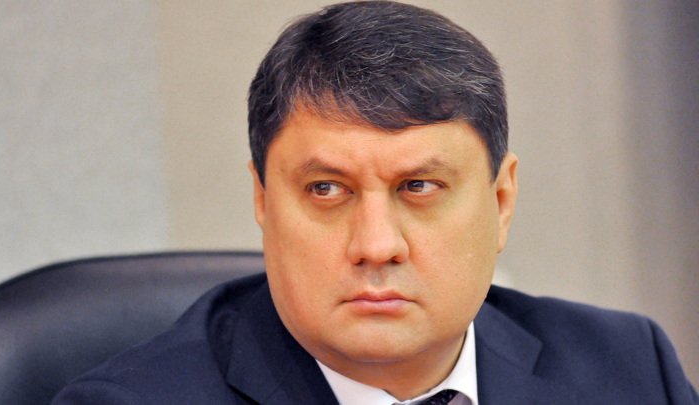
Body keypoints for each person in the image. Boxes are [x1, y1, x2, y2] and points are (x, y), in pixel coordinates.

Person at [52, 1, 698, 404]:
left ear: (501, 201)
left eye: (418, 187)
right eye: (326, 189)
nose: (376, 245)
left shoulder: (630, 368)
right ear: (262, 200)